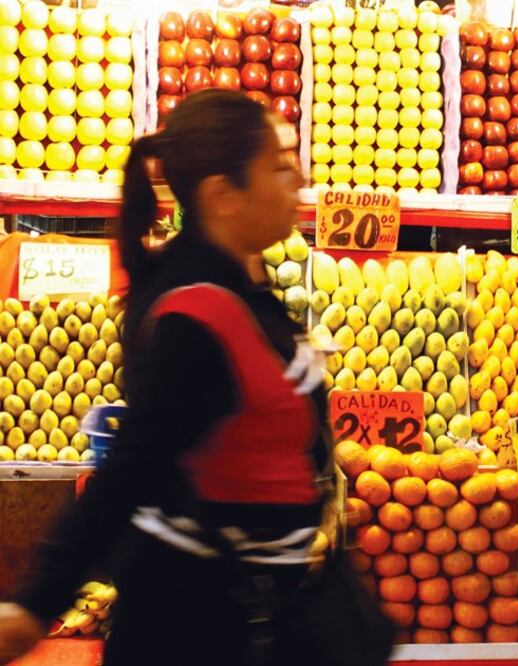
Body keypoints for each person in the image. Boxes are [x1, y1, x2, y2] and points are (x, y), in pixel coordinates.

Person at [0, 89, 335, 664]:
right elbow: (130, 470)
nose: (296, 183)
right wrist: (34, 606)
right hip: (194, 630)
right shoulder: (200, 313)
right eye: (276, 169)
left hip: (239, 620)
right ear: (222, 194)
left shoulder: (242, 289)